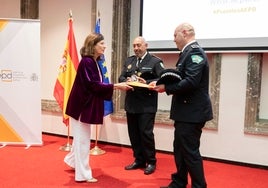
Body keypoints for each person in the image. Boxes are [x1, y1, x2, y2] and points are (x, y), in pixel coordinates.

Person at [63, 33, 132, 183]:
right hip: (81, 107)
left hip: (82, 105)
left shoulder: (93, 61)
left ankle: (72, 160)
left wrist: (115, 86)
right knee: (83, 141)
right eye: (101, 43)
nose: (104, 46)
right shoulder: (87, 62)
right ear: (92, 45)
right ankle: (83, 174)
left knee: (80, 139)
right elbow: (93, 85)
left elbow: (94, 84)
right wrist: (116, 86)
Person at [153, 23, 213, 188]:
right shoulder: (187, 52)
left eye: (175, 35)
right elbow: (180, 76)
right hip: (186, 112)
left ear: (184, 33)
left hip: (192, 113)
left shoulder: (194, 52)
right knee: (180, 149)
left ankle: (199, 186)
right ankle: (179, 182)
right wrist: (158, 82)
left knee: (190, 151)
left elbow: (191, 81)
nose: (173, 40)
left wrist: (167, 88)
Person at [118, 36, 165, 175]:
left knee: (146, 134)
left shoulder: (155, 61)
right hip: (131, 104)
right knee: (134, 134)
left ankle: (151, 161)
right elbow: (121, 77)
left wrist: (147, 81)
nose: (136, 48)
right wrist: (125, 79)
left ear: (146, 46)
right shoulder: (129, 61)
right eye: (134, 46)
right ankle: (139, 160)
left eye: (139, 45)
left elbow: (162, 79)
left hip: (146, 105)